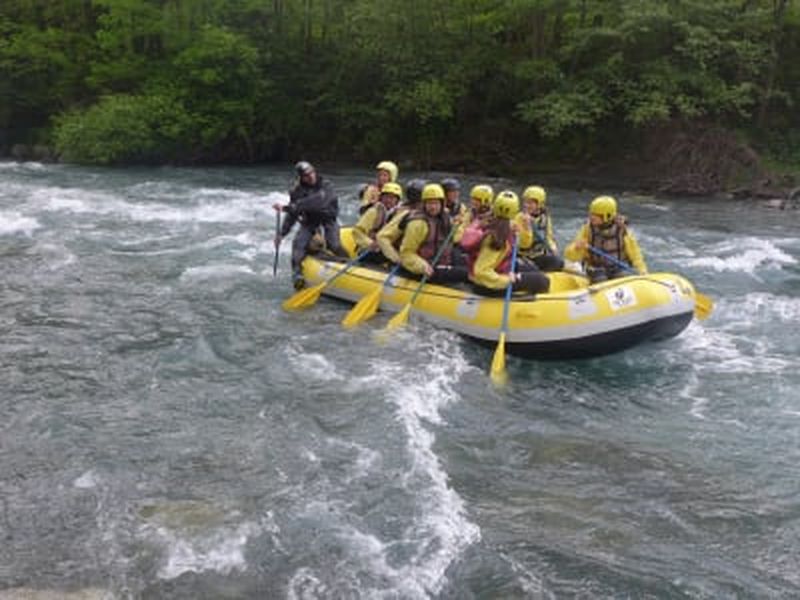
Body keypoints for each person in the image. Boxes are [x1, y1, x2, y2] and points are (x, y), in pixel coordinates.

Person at [274, 161, 347, 289]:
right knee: (298, 245)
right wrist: (281, 234)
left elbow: (317, 202)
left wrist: (287, 208)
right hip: (310, 222)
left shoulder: (326, 186)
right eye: (307, 175)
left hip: (328, 220)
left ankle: (347, 261)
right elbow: (293, 215)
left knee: (334, 244)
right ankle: (297, 275)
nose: (311, 176)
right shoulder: (297, 191)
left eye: (312, 173)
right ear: (301, 178)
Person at [469, 190, 550, 296]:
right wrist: (506, 280)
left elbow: (524, 244)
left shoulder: (504, 225)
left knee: (532, 269)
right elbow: (480, 271)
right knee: (542, 281)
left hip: (499, 270)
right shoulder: (497, 236)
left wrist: (526, 228)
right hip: (487, 286)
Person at [564, 195, 647, 282]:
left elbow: (635, 254)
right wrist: (576, 248)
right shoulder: (588, 229)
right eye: (591, 214)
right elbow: (570, 257)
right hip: (596, 268)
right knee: (600, 279)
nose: (592, 217)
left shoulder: (622, 230)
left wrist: (642, 271)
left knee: (622, 277)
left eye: (596, 215)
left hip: (617, 268)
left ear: (607, 216)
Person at [398, 183, 467, 284]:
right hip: (425, 267)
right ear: (424, 204)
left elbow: (455, 239)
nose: (433, 207)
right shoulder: (417, 223)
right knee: (464, 273)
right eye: (429, 203)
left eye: (436, 203)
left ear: (442, 204)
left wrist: (458, 226)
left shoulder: (445, 218)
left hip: (440, 260)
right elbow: (406, 253)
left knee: (467, 262)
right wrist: (422, 266)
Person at [375, 178, 426, 265]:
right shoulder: (403, 213)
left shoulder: (431, 212)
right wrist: (397, 259)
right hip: (399, 252)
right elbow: (382, 237)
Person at [352, 181, 402, 264]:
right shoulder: (373, 212)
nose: (388, 200)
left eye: (392, 198)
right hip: (370, 249)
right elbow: (357, 231)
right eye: (386, 197)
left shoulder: (399, 214)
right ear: (381, 198)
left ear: (397, 200)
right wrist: (370, 243)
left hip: (387, 248)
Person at [518, 185, 564, 272]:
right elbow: (523, 244)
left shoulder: (544, 218)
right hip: (522, 255)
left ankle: (545, 275)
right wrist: (527, 227)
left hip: (538, 254)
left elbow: (548, 237)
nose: (526, 205)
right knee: (532, 269)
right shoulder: (519, 218)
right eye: (525, 202)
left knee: (558, 262)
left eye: (530, 203)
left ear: (539, 204)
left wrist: (553, 248)